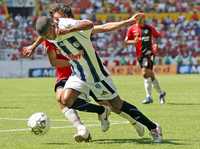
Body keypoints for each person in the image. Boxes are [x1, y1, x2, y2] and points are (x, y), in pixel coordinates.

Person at [34, 5, 163, 143]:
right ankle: (101, 111)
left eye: (49, 34)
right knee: (66, 100)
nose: (49, 37)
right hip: (78, 73)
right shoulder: (49, 33)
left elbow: (89, 24)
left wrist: (68, 31)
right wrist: (34, 46)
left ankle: (153, 127)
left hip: (97, 75)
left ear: (54, 25)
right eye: (46, 36)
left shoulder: (66, 24)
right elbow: (46, 35)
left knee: (117, 105)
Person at [125, 14, 166, 104]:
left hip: (149, 53)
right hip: (140, 55)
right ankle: (161, 93)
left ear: (144, 19)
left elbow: (157, 36)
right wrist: (133, 41)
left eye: (141, 18)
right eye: (138, 18)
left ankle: (149, 97)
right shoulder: (132, 29)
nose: (140, 20)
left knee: (144, 73)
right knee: (149, 74)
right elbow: (126, 42)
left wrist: (156, 45)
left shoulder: (149, 28)